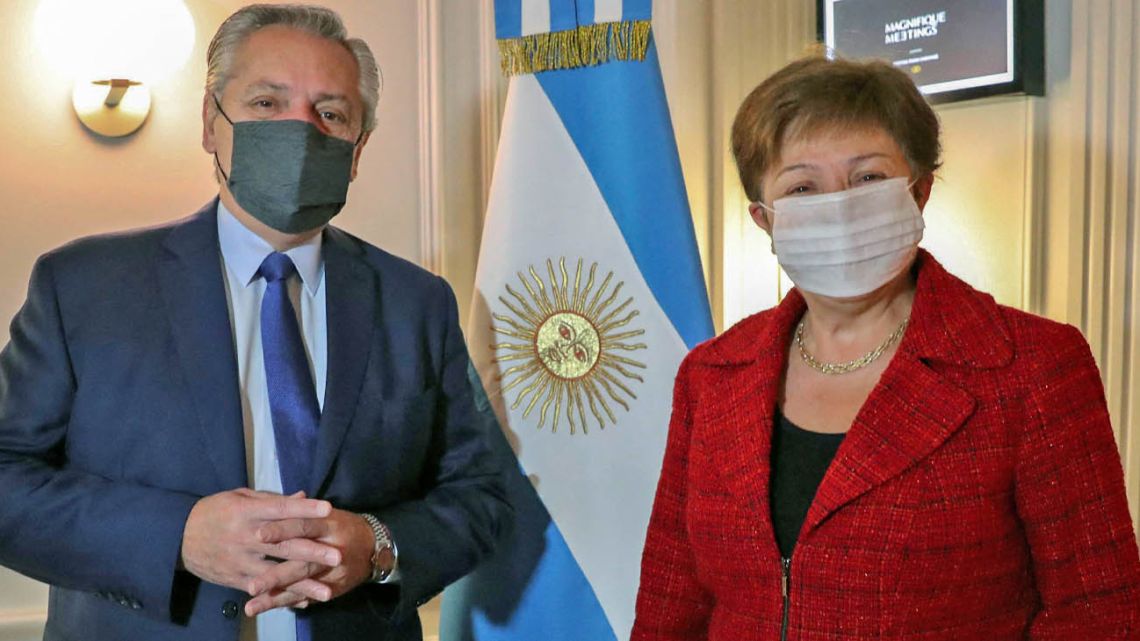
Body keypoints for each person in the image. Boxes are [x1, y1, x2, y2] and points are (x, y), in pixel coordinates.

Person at [0, 5, 511, 640]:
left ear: (357, 150)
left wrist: (379, 545)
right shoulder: (83, 287)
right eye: (267, 104)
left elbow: (478, 494)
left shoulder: (417, 302)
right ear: (211, 124)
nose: (300, 131)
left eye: (329, 114)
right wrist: (176, 537)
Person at [631, 55, 1140, 640]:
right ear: (765, 220)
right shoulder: (712, 374)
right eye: (803, 187)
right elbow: (672, 603)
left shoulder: (1032, 367)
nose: (840, 207)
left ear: (918, 191)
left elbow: (1100, 612)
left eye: (868, 178)